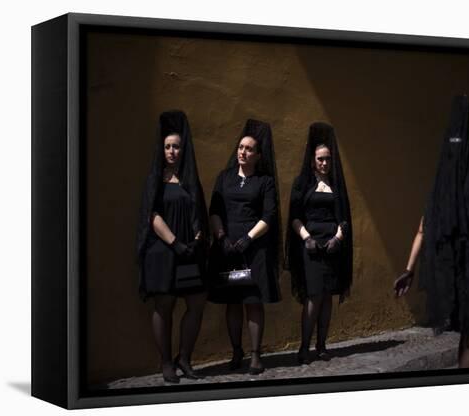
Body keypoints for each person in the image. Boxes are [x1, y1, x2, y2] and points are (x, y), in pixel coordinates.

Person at [393, 95, 469, 368]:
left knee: (467, 337)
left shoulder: (442, 187)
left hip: (455, 277)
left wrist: (409, 269)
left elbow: (422, 230)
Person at [136, 110, 210, 383]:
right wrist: (175, 243)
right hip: (164, 251)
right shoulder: (156, 178)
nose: (171, 151)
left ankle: (185, 358)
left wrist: (198, 238)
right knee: (164, 305)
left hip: (189, 251)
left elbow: (199, 212)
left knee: (197, 301)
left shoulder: (190, 179)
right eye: (167, 146)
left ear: (183, 149)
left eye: (176, 146)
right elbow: (152, 215)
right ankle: (166, 362)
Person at [208, 119, 282, 375]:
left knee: (252, 301)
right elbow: (215, 210)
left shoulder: (265, 182)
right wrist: (222, 239)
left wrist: (248, 239)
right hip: (228, 249)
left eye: (249, 149)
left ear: (258, 155)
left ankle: (255, 355)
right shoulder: (224, 177)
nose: (243, 151)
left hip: (254, 250)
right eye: (241, 147)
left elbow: (268, 215)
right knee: (233, 301)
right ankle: (236, 350)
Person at [284, 122, 353, 365]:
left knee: (327, 298)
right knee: (313, 296)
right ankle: (304, 347)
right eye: (320, 159)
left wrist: (337, 238)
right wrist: (307, 239)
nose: (324, 163)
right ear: (312, 160)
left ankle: (322, 346)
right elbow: (294, 217)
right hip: (311, 246)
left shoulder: (337, 186)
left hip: (332, 246)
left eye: (327, 159)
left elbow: (343, 219)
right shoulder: (302, 184)